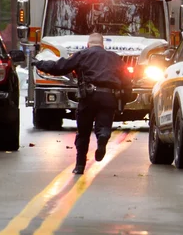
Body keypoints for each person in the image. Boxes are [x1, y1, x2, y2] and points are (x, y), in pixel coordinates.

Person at [33, 33, 130, 174]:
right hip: (109, 97)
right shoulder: (115, 57)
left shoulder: (82, 54)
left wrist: (39, 64)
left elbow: (59, 67)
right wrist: (123, 100)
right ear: (103, 45)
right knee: (103, 125)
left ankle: (79, 166)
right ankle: (103, 136)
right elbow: (127, 81)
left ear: (88, 45)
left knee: (83, 132)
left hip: (88, 97)